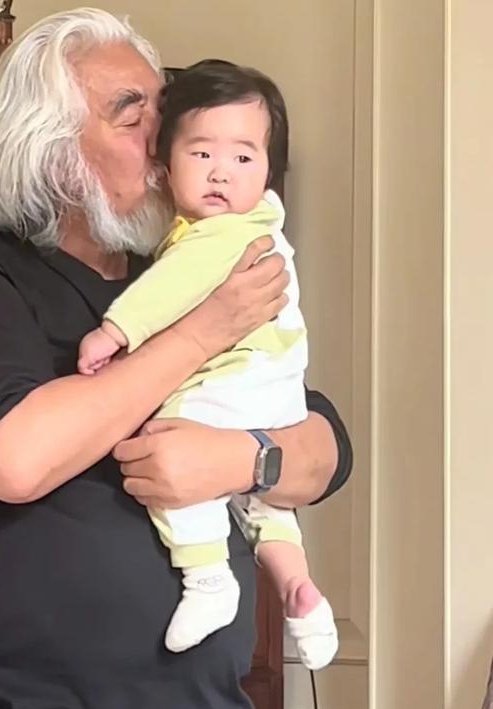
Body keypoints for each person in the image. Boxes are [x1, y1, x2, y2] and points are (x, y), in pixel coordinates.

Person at [0, 9, 352, 709]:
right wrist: (201, 332)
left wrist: (242, 459)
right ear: (51, 149)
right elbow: (17, 458)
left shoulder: (181, 269)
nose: (168, 143)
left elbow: (325, 447)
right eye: (134, 118)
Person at [79, 59, 338, 668]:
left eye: (244, 157)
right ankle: (298, 586)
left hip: (232, 384)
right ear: (165, 165)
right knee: (266, 503)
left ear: (269, 170)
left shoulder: (219, 236)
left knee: (170, 451)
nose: (222, 172)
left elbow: (170, 288)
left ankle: (207, 578)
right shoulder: (257, 227)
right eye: (202, 154)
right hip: (275, 391)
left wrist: (115, 330)